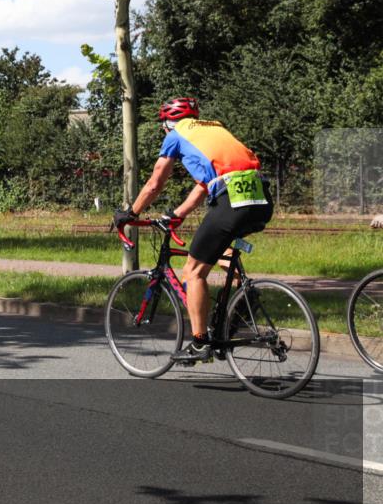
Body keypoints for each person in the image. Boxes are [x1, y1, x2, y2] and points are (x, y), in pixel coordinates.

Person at [113, 97, 273, 363]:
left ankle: (200, 343)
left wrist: (131, 213)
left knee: (192, 271)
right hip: (262, 198)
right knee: (214, 250)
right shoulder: (214, 128)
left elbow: (155, 182)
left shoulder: (176, 135)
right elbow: (204, 185)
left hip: (231, 200)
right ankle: (242, 293)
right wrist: (177, 214)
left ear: (167, 123)